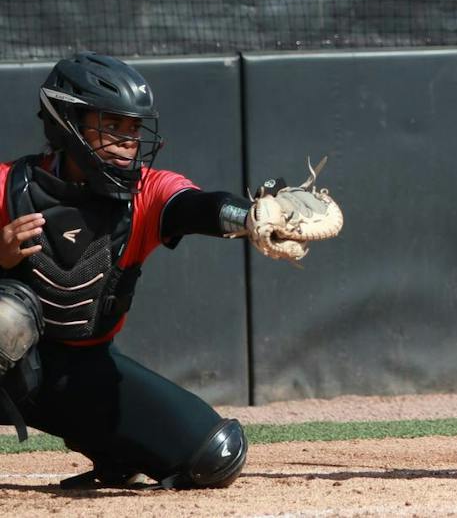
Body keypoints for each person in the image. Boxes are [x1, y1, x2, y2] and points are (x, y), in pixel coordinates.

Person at [0, 52, 341, 490]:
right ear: (67, 120)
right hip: (11, 369)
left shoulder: (145, 192)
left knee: (215, 455)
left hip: (81, 371)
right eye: (112, 125)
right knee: (7, 316)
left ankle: (110, 445)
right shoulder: (10, 186)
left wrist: (253, 215)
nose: (127, 142)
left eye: (134, 128)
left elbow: (192, 207)